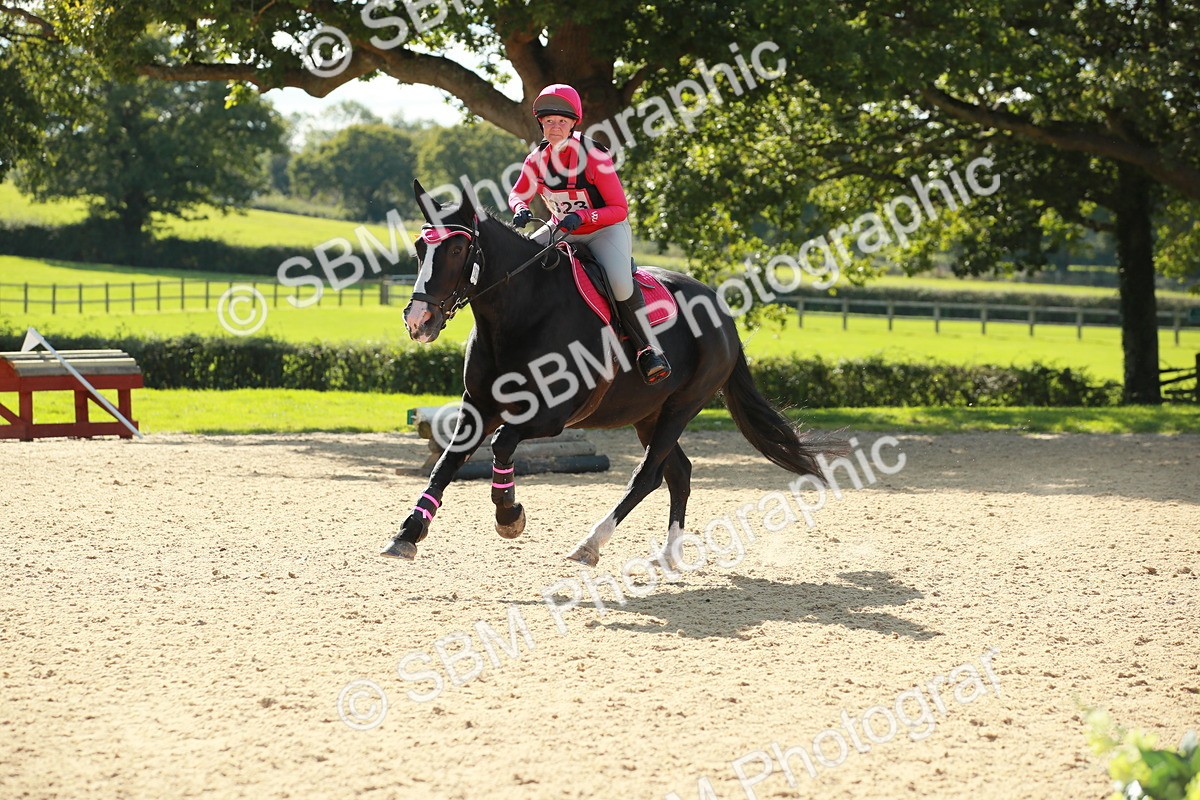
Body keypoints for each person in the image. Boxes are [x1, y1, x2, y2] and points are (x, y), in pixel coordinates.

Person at [508, 84, 671, 385]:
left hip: (604, 230)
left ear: (573, 124)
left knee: (619, 283)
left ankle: (647, 349)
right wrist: (520, 208)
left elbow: (619, 209)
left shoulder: (594, 156)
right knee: (521, 264)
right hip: (562, 228)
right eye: (549, 121)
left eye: (562, 121)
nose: (555, 127)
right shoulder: (536, 159)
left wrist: (583, 216)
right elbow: (518, 193)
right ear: (540, 123)